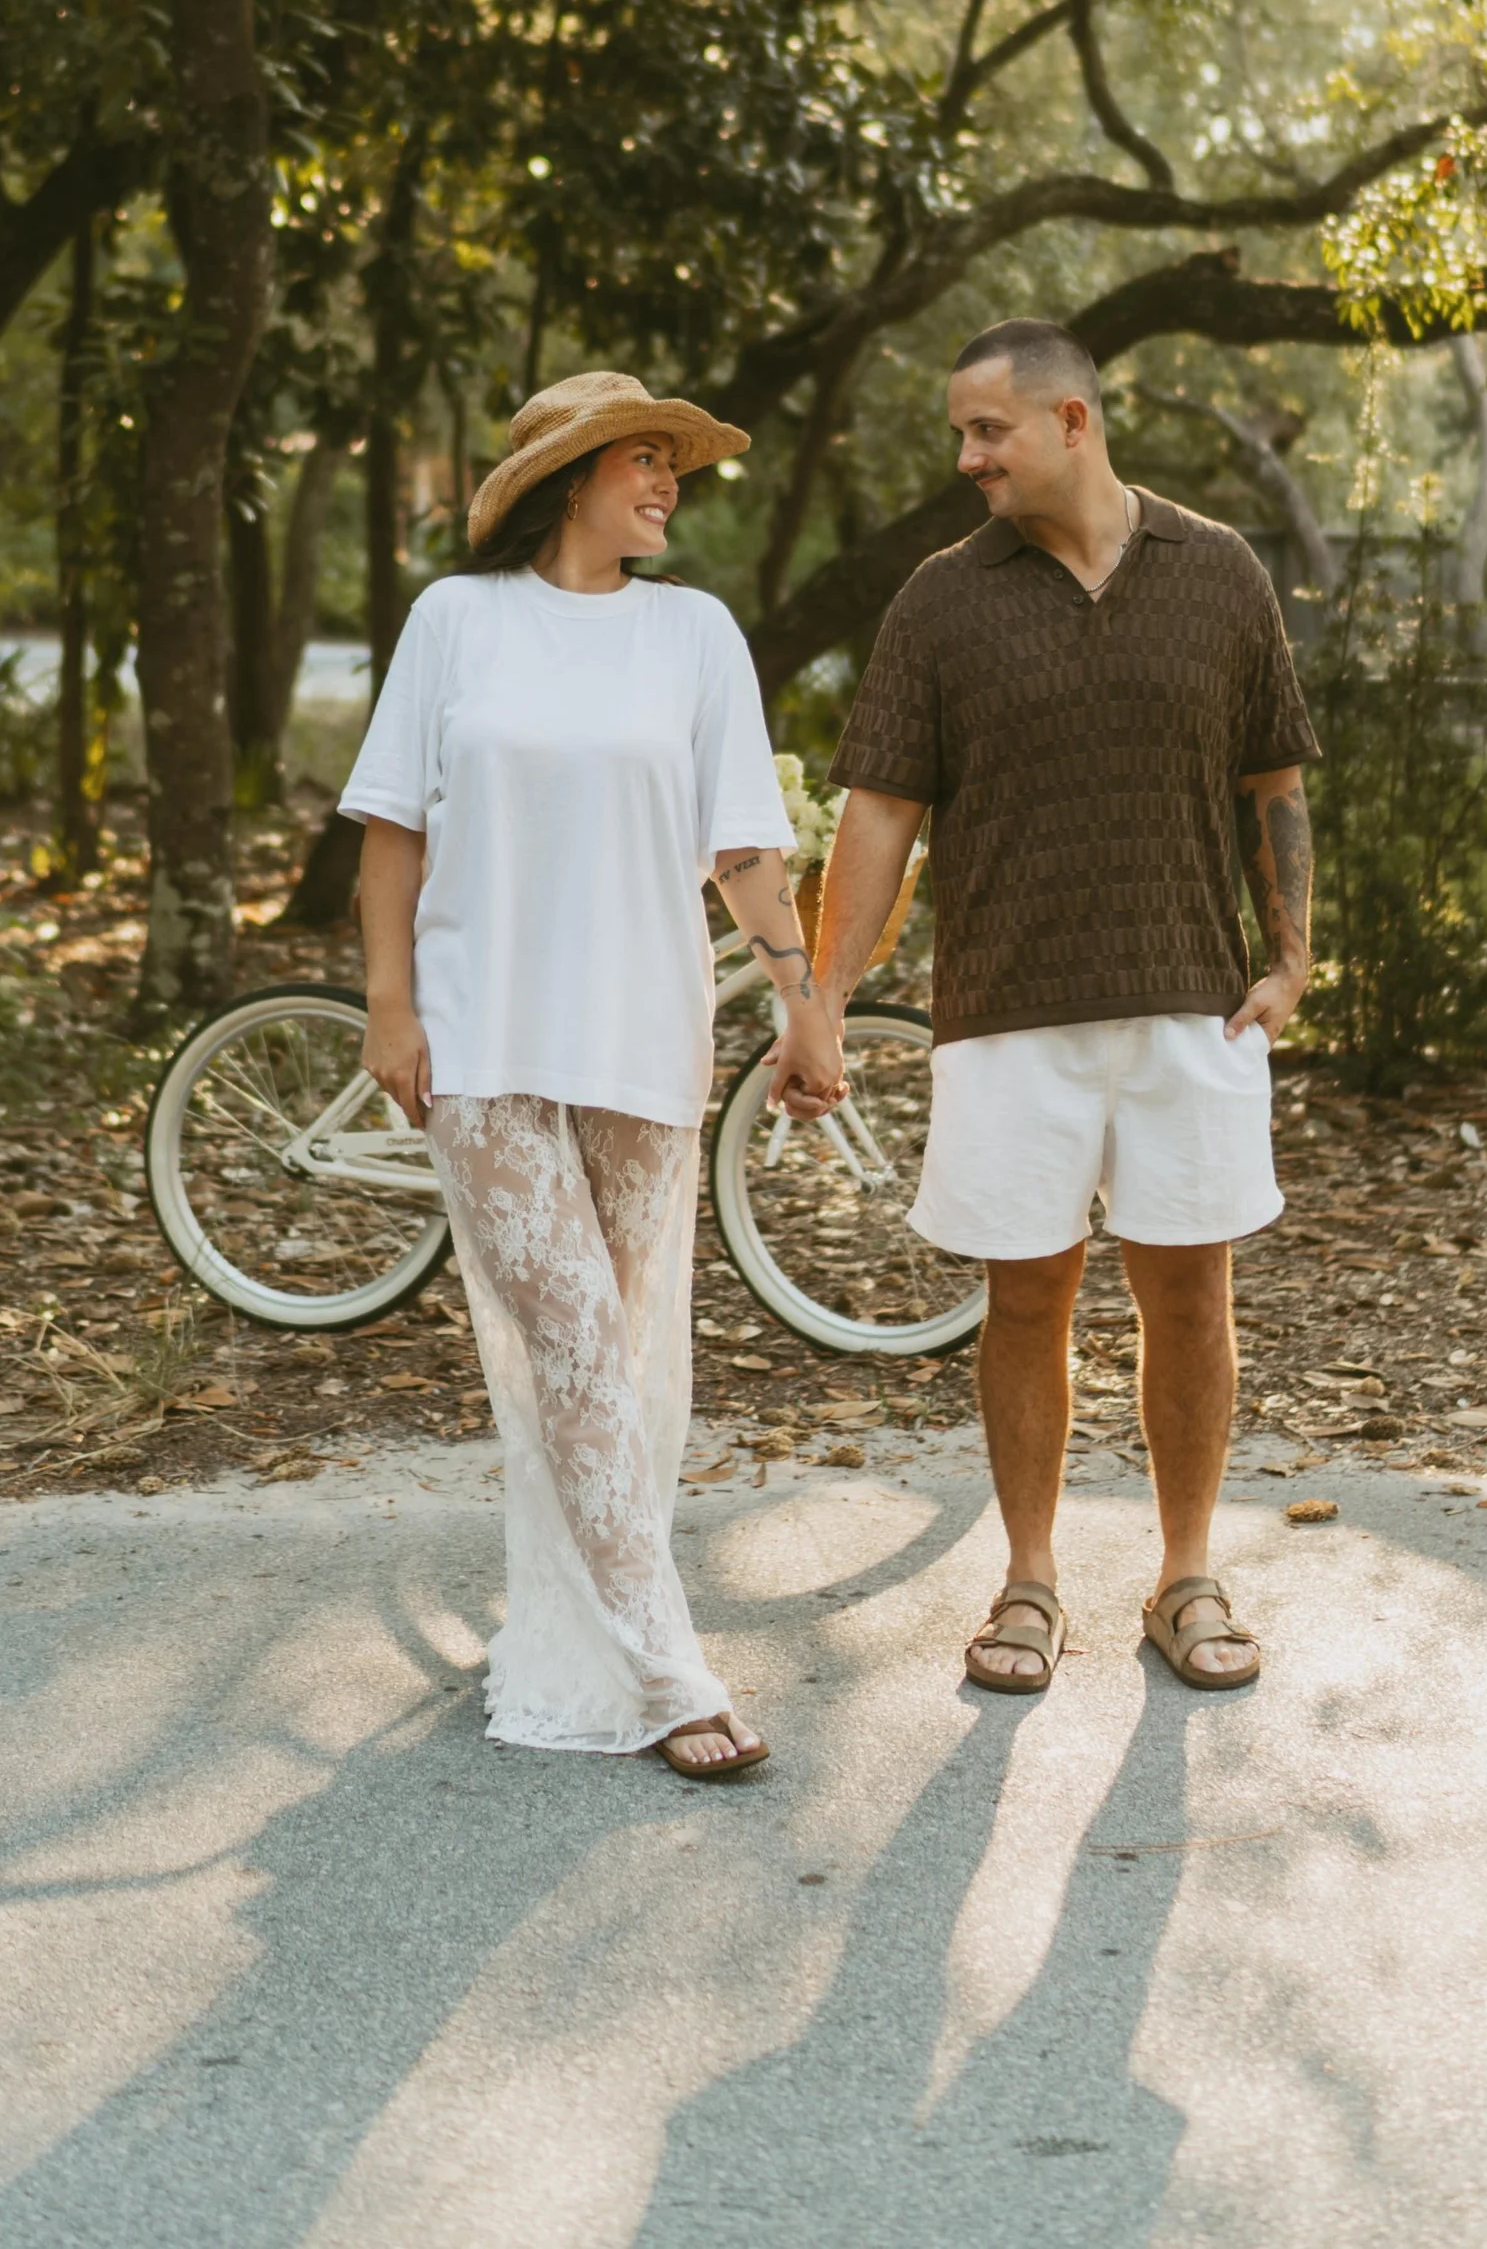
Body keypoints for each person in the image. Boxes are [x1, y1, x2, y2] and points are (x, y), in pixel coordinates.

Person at [343, 369, 845, 1780]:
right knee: (572, 1340)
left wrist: (805, 1003)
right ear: (569, 478)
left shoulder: (696, 634)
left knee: (613, 1362)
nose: (669, 482)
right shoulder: (459, 621)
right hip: (484, 1032)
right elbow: (391, 832)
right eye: (643, 458)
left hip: (640, 1031)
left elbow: (747, 845)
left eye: (675, 464)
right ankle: (674, 1668)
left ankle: (574, 1630)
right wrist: (389, 1005)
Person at [810, 318, 1315, 1697]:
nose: (967, 456)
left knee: (1190, 1296)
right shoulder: (939, 601)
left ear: (1074, 422)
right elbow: (879, 817)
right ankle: (1029, 1579)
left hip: (1188, 1007)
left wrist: (1291, 956)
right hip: (1007, 1008)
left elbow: (1275, 778)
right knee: (1024, 1299)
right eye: (961, 432)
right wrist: (824, 999)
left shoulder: (1218, 573)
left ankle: (1187, 1572)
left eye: (989, 430)